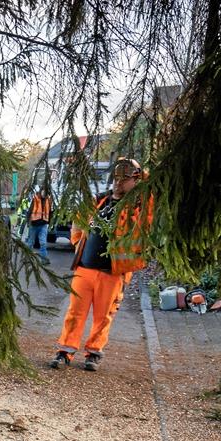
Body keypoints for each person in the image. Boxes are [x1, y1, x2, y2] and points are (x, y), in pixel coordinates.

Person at [50, 157, 153, 371]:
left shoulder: (137, 207)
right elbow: (78, 224)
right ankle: (65, 351)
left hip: (113, 272)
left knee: (103, 316)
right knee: (75, 312)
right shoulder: (98, 201)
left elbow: (153, 196)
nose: (118, 183)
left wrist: (140, 172)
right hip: (85, 268)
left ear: (135, 181)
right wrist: (79, 244)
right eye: (116, 178)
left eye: (125, 179)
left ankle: (93, 353)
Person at [27, 185, 54, 261]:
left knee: (43, 243)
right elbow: (29, 211)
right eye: (43, 191)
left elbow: (51, 212)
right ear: (41, 191)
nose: (44, 193)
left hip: (43, 225)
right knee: (30, 243)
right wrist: (28, 221)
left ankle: (44, 260)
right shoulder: (35, 199)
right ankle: (27, 258)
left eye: (46, 192)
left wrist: (49, 222)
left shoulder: (48, 200)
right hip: (34, 224)